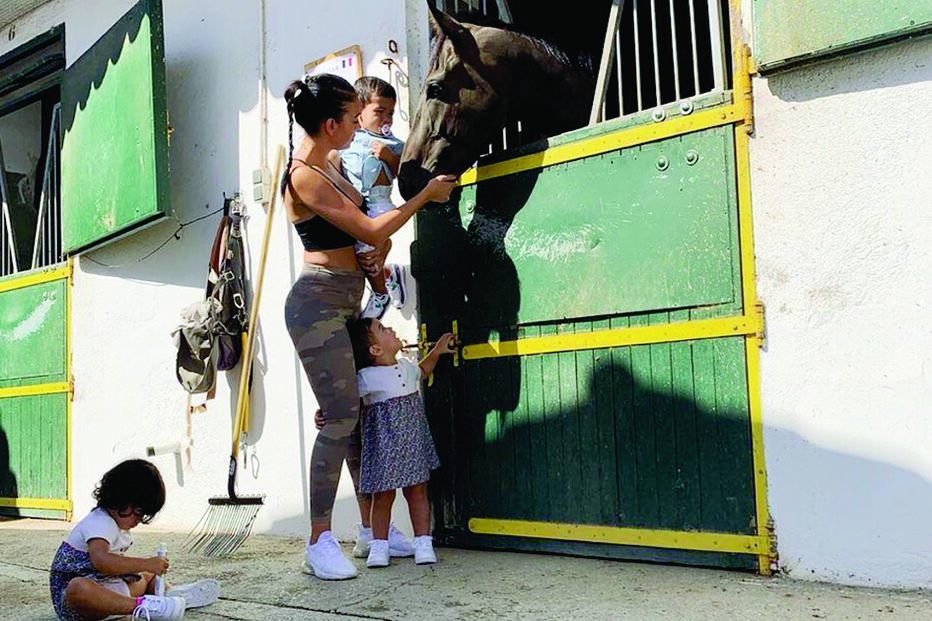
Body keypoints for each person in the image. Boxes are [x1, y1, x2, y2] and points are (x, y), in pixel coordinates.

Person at [281, 73, 456, 580]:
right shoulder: (304, 176)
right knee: (339, 421)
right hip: (316, 304)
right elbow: (371, 226)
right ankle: (319, 542)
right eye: (354, 117)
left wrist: (373, 263)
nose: (362, 122)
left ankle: (368, 531)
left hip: (347, 298)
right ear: (331, 123)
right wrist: (423, 198)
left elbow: (363, 238)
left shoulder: (334, 163)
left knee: (357, 415)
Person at [347, 317, 455, 567]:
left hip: (412, 442)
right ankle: (379, 547)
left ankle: (423, 542)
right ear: (375, 349)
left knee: (417, 492)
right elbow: (346, 399)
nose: (392, 329)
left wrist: (437, 350)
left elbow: (423, 370)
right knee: (382, 497)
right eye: (383, 329)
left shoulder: (406, 366)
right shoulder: (366, 378)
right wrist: (325, 414)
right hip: (384, 447)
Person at [49, 459, 198, 621]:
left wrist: (142, 570)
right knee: (78, 588)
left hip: (108, 590)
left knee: (147, 577)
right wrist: (146, 563)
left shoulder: (118, 526)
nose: (139, 520)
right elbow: (102, 561)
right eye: (138, 513)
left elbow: (114, 567)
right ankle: (143, 606)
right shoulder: (99, 522)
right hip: (78, 603)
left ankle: (171, 596)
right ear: (120, 498)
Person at [340, 76, 407, 319]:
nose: (387, 118)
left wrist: (389, 156)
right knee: (359, 255)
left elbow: (406, 175)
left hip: (380, 205)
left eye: (390, 113)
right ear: (360, 111)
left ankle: (381, 293)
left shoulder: (395, 144)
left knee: (367, 253)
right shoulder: (348, 140)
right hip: (355, 206)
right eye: (380, 111)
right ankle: (388, 276)